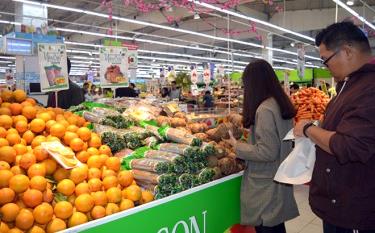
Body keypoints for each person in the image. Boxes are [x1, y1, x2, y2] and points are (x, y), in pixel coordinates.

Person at [294, 22, 375, 233]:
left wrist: (308, 129)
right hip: (341, 205)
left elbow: (350, 145)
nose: (325, 66)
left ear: (347, 51)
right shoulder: (350, 85)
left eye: (325, 60)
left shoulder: (369, 88)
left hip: (355, 211)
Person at [225, 59, 299, 233]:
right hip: (279, 175)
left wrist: (237, 145)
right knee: (277, 225)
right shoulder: (280, 103)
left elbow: (267, 152)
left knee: (267, 226)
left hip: (265, 181)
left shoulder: (264, 109)